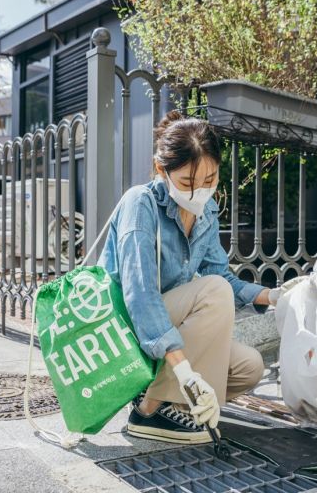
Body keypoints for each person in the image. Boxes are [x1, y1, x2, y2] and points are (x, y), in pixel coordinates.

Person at [97, 110, 283, 444]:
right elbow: (139, 296)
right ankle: (149, 410)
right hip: (129, 329)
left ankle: (172, 403)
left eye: (210, 181)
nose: (199, 191)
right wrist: (184, 369)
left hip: (168, 327)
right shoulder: (139, 204)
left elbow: (221, 276)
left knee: (249, 366)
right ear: (161, 170)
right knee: (212, 292)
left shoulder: (206, 212)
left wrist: (274, 296)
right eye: (187, 182)